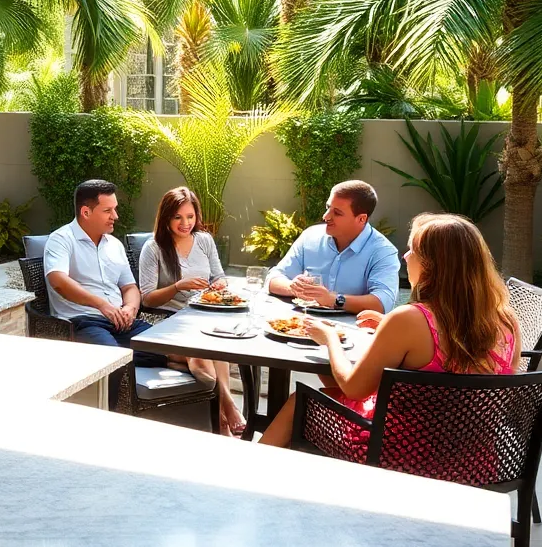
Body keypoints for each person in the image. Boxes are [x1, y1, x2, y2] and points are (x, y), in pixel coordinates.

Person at [260, 213, 519, 448]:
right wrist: (387, 326)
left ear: (431, 265)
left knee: (300, 401)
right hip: (473, 458)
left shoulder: (409, 319)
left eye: (412, 250)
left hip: (400, 450)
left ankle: (250, 476)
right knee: (331, 384)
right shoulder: (507, 320)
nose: (405, 256)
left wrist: (329, 339)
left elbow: (354, 388)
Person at [42, 179, 169, 411]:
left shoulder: (114, 245)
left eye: (115, 209)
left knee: (174, 350)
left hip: (122, 322)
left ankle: (133, 359)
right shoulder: (61, 239)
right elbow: (58, 280)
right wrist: (102, 305)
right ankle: (108, 415)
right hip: (84, 322)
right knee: (110, 360)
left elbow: (130, 287)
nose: (115, 216)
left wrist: (130, 308)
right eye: (108, 210)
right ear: (86, 212)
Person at [137, 187, 245, 435]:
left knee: (217, 347)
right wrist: (177, 286)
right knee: (203, 361)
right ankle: (228, 409)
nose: (185, 223)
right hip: (165, 320)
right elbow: (147, 299)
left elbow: (219, 276)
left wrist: (219, 285)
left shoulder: (204, 240)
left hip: (202, 315)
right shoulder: (153, 248)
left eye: (190, 216)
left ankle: (219, 415)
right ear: (166, 217)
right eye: (178, 217)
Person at [268, 180, 400, 314]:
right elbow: (273, 278)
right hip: (301, 321)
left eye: (337, 213)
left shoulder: (383, 252)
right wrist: (292, 287)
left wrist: (334, 300)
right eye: (328, 208)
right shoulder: (310, 237)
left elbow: (383, 303)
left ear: (361, 219)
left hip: (353, 326)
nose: (325, 216)